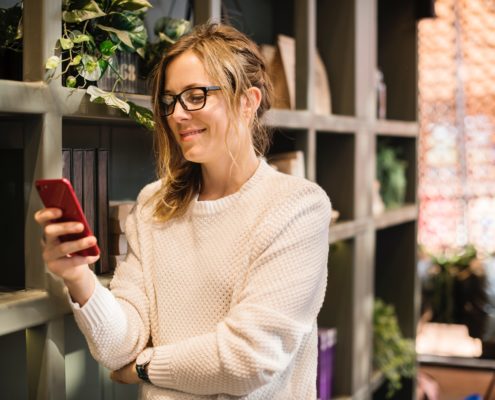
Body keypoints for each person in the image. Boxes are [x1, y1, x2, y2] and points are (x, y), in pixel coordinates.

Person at [34, 22, 332, 399]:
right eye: (170, 100)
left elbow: (247, 360)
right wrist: (78, 277)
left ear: (248, 101)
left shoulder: (297, 208)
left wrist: (143, 368)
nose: (176, 114)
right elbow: (119, 346)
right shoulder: (153, 205)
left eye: (195, 95)